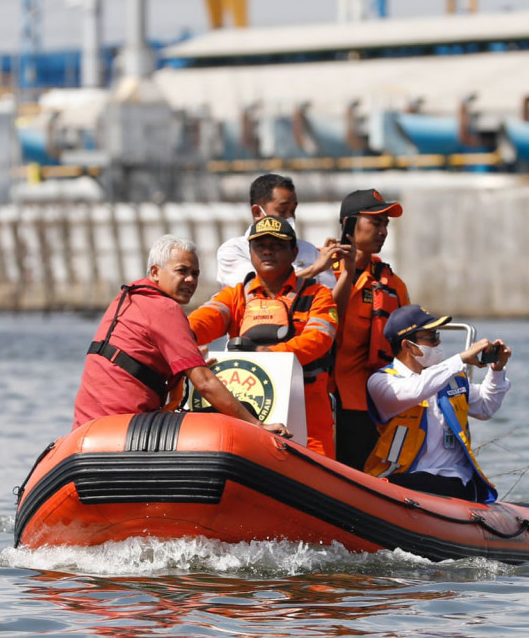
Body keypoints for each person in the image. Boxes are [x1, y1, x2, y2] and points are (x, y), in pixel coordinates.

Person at [72, 234, 291, 439]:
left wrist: (189, 363)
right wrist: (256, 424)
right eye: (182, 271)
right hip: (125, 427)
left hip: (85, 429)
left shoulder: (126, 300)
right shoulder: (166, 308)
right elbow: (204, 382)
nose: (190, 280)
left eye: (195, 274)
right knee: (235, 414)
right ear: (155, 272)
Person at [189, 216, 338, 457]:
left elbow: (320, 339)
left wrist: (268, 355)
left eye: (277, 245)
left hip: (309, 417)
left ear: (294, 252)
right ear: (250, 253)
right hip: (250, 413)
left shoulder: (318, 294)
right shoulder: (235, 295)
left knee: (318, 473)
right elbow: (201, 321)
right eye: (260, 246)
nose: (268, 251)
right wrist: (181, 338)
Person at [365, 304, 511, 503]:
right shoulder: (382, 382)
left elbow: (486, 408)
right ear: (408, 346)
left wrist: (497, 371)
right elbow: (416, 390)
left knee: (446, 485)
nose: (438, 341)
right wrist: (461, 359)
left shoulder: (451, 378)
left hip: (453, 479)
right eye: (432, 337)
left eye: (438, 335)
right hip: (401, 477)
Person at [331, 188, 410, 469]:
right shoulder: (321, 270)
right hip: (321, 397)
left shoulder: (392, 284)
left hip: (370, 402)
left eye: (385, 224)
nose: (383, 231)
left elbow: (409, 344)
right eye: (376, 222)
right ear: (349, 224)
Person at [216, 173, 341, 290]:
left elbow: (330, 298)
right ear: (257, 212)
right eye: (282, 211)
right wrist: (314, 270)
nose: (290, 217)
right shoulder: (234, 250)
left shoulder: (309, 251)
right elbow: (255, 289)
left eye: (293, 211)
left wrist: (348, 270)